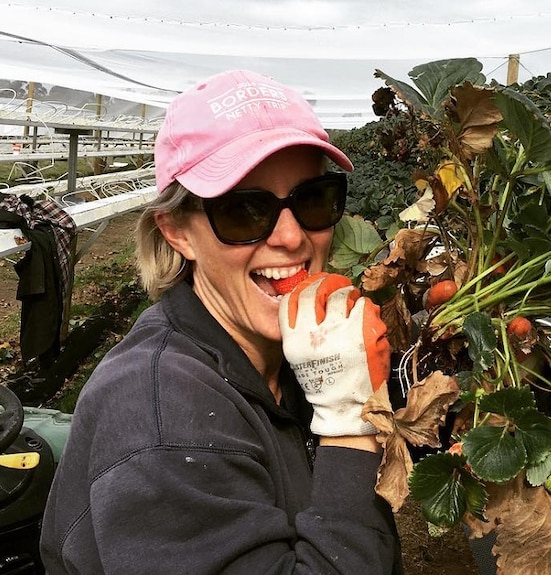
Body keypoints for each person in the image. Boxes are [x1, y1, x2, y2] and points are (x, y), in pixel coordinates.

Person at [40, 69, 401, 574]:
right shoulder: (160, 417)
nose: (292, 238)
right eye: (245, 211)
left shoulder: (291, 357)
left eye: (313, 199)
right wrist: (348, 425)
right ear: (177, 233)